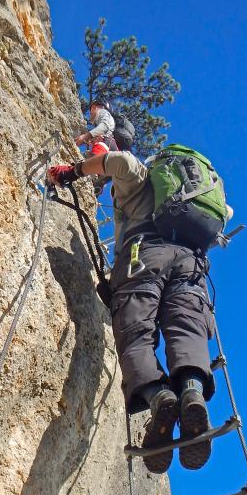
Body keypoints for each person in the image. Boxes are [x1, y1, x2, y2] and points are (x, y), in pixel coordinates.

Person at [47, 149, 215, 475]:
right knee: (187, 328)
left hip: (145, 257)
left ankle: (160, 397)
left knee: (135, 332)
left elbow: (121, 161)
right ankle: (192, 391)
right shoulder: (196, 195)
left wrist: (74, 171)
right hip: (192, 266)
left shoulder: (143, 178)